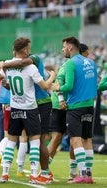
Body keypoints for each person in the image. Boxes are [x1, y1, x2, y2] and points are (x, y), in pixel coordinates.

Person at [0, 37, 55, 184]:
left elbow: (5, 81)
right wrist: (53, 75)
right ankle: (34, 174)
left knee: (11, 141)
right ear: (24, 50)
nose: (30, 50)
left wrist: (8, 84)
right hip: (30, 108)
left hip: (15, 107)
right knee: (34, 140)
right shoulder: (31, 67)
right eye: (28, 48)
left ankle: (4, 174)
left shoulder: (7, 65)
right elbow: (45, 86)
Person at [52, 37, 97, 184]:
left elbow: (69, 86)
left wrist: (58, 87)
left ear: (71, 47)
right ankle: (88, 174)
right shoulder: (91, 62)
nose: (63, 49)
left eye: (64, 47)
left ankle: (82, 174)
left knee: (75, 140)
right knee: (87, 140)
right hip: (90, 105)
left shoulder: (70, 63)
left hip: (76, 107)